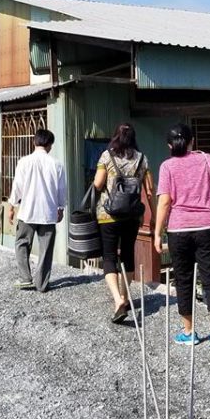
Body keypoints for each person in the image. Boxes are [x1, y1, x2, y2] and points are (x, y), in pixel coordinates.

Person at [153, 123, 210, 361]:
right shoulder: (207, 160)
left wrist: (157, 233)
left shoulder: (167, 166)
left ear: (169, 145)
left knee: (183, 280)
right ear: (192, 141)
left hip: (179, 229)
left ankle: (189, 332)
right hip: (208, 227)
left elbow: (164, 202)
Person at [93, 123, 155, 323]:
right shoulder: (142, 159)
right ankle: (126, 297)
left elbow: (98, 183)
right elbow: (150, 190)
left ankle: (118, 299)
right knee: (128, 254)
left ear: (115, 137)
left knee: (109, 256)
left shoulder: (106, 156)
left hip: (108, 214)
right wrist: (153, 214)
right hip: (131, 216)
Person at [8, 129, 67, 293]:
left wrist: (12, 206)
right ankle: (42, 284)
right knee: (46, 249)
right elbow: (62, 190)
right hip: (48, 213)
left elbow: (17, 186)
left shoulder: (24, 161)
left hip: (27, 211)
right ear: (50, 145)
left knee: (22, 243)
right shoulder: (57, 164)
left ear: (34, 142)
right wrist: (60, 208)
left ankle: (25, 278)